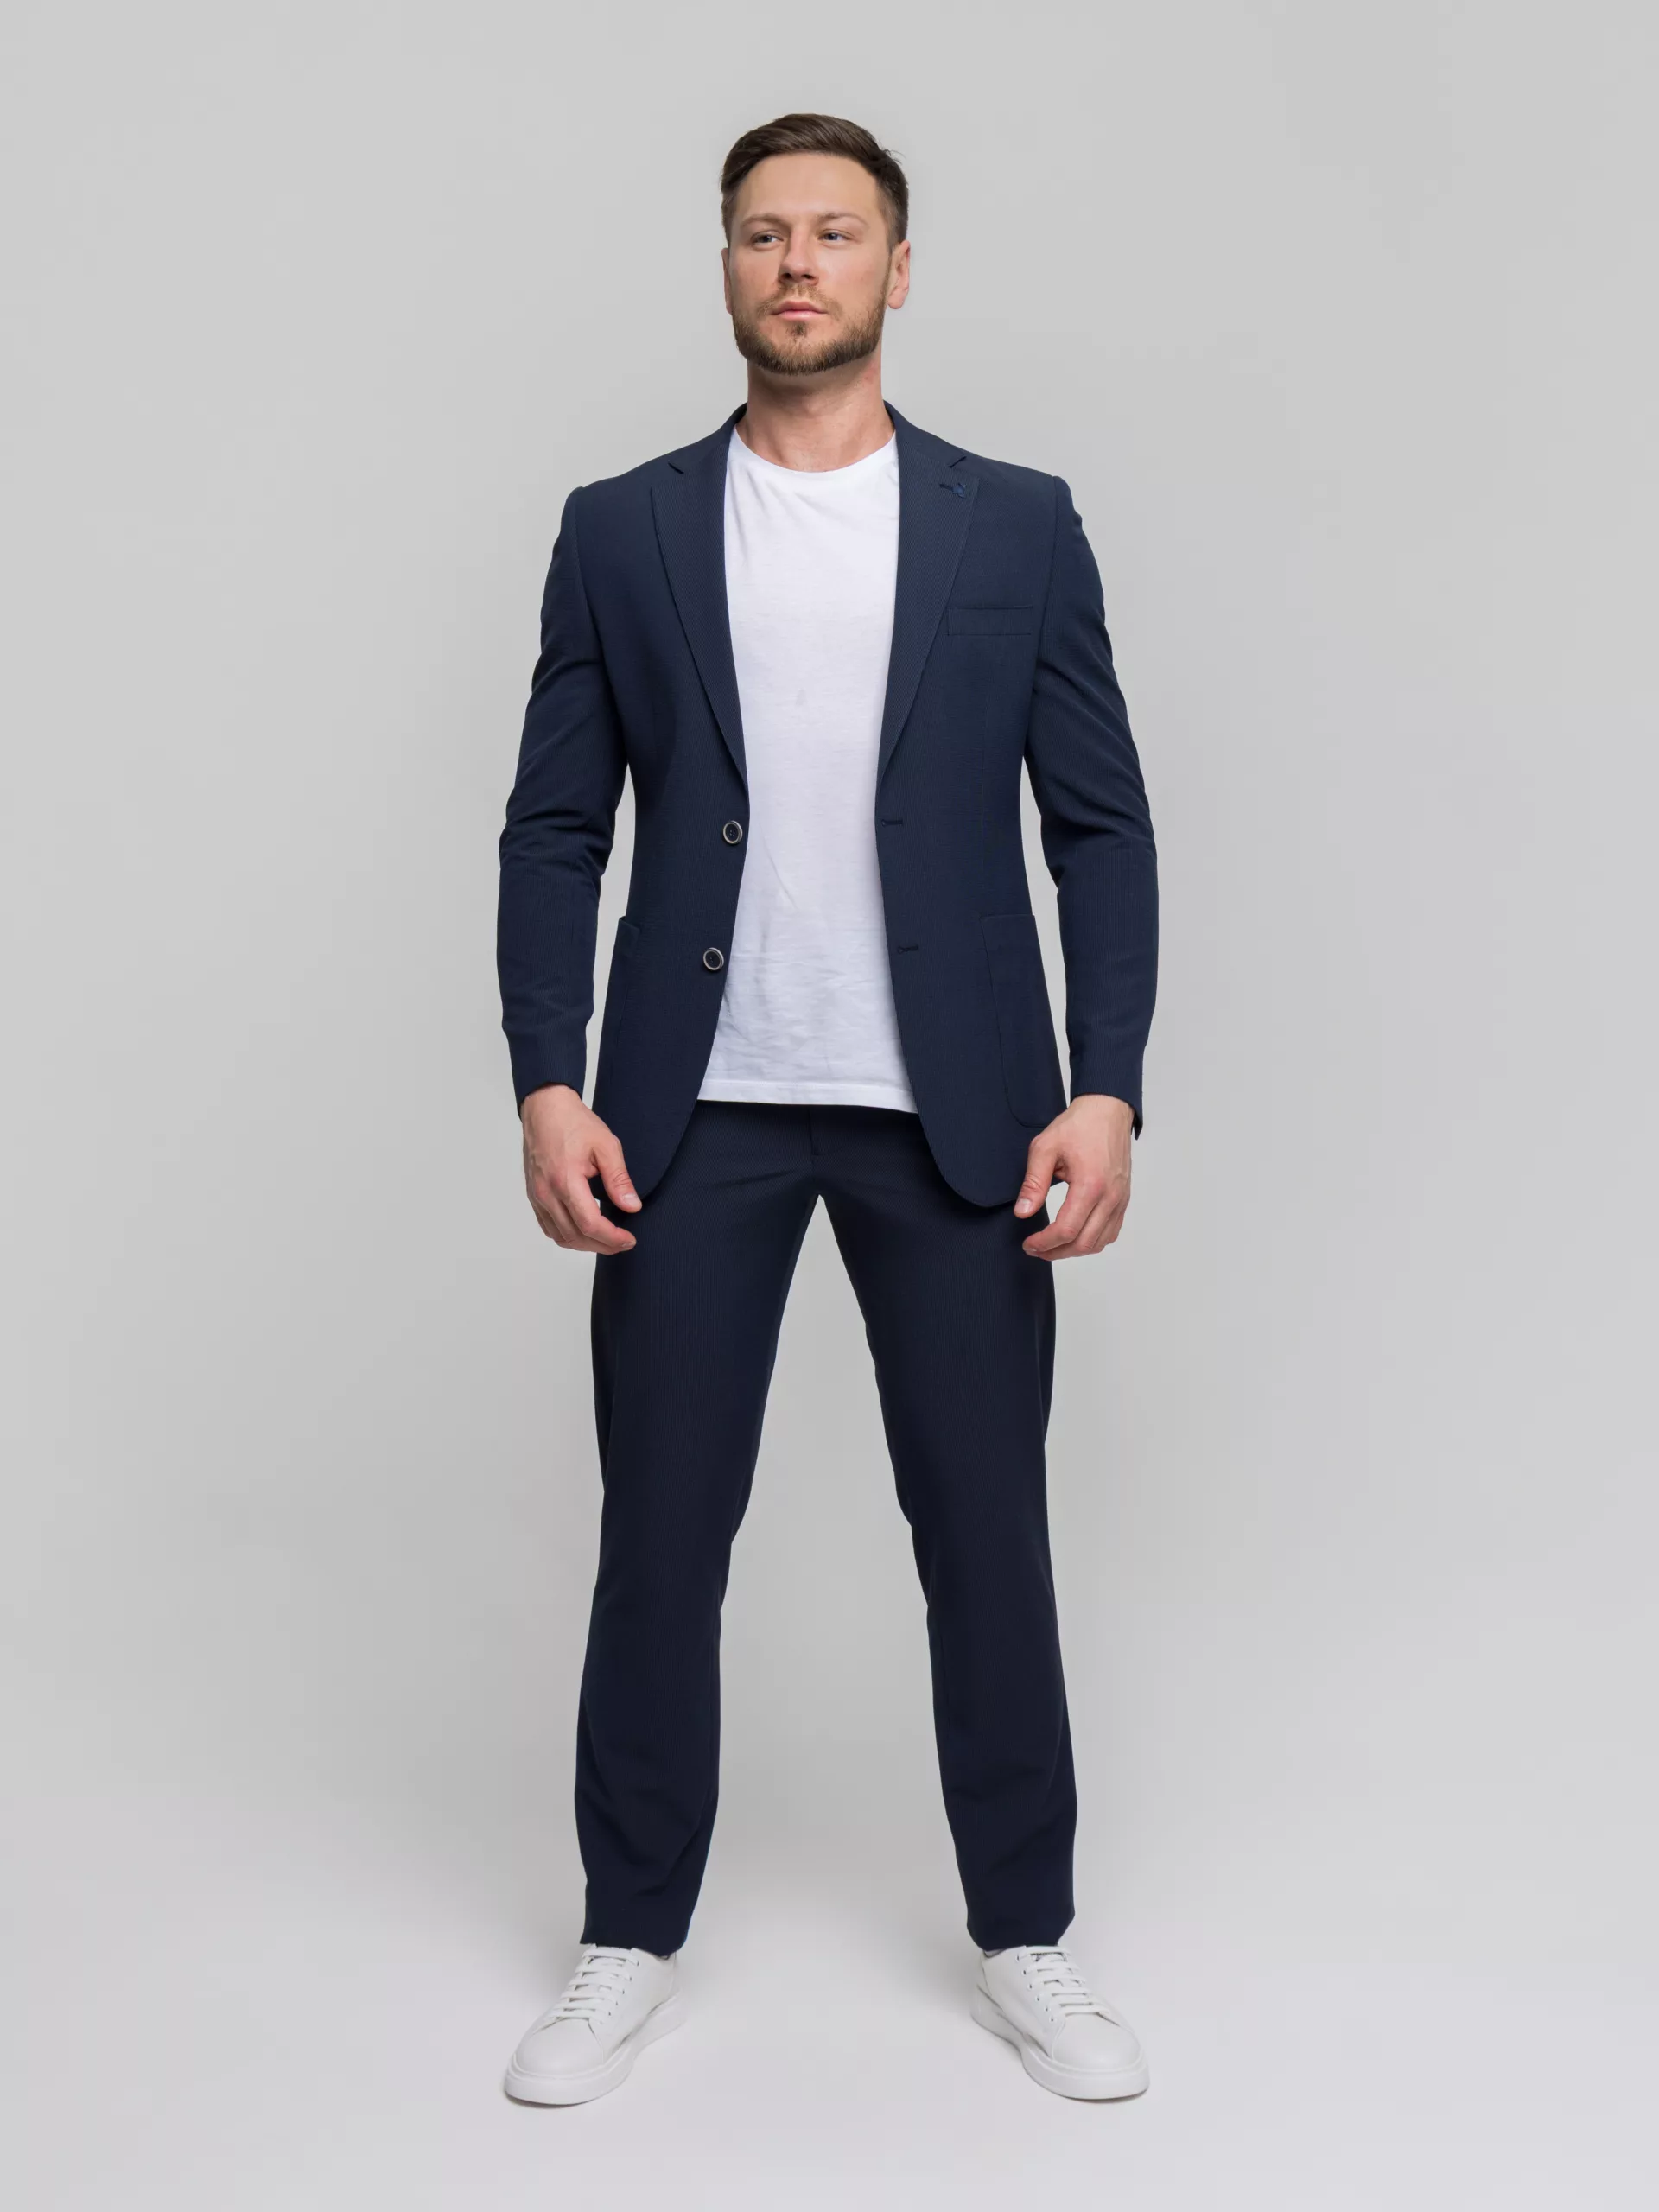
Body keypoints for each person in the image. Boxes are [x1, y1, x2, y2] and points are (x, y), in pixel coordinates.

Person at [495, 111, 1159, 2106]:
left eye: (837, 233)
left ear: (895, 268)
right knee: (660, 1531)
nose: (800, 262)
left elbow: (1101, 823)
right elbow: (553, 827)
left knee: (987, 1530)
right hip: (686, 1112)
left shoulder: (1014, 524)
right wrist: (547, 1074)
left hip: (958, 1111)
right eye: (766, 232)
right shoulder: (620, 527)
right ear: (726, 266)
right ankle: (626, 1934)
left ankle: (1026, 1933)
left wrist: (1107, 1083)